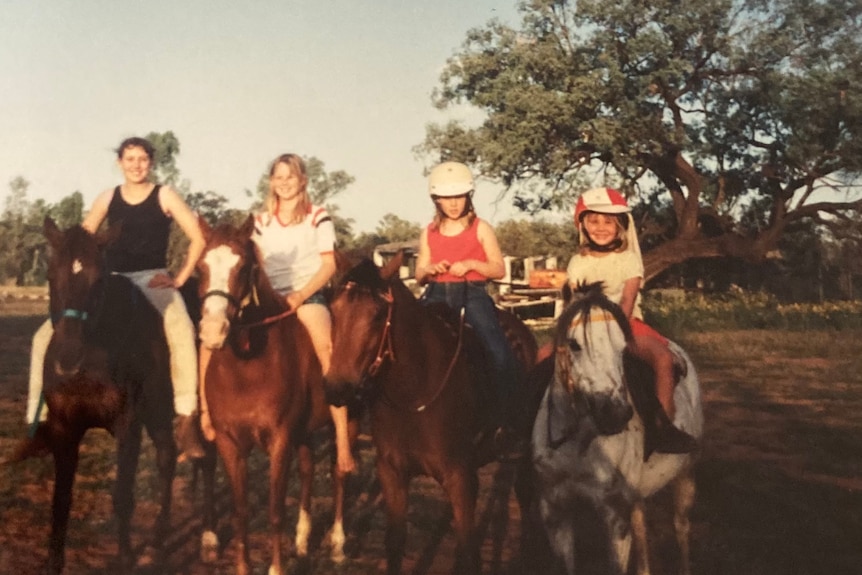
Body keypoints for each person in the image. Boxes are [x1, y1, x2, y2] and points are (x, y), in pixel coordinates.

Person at [26, 136, 207, 460]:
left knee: (182, 330)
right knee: (43, 337)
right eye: (130, 159)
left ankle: (187, 418)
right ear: (119, 163)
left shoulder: (164, 195)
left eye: (142, 159)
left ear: (151, 163)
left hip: (151, 279)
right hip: (112, 282)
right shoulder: (108, 197)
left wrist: (179, 278)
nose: (136, 165)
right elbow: (82, 239)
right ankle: (38, 423)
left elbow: (196, 237)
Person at [199, 153, 355, 474]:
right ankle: (203, 415)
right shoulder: (259, 221)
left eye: (291, 177)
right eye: (278, 178)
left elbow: (328, 265)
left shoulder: (317, 216)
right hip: (266, 296)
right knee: (209, 339)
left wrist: (301, 295)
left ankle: (342, 443)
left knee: (327, 350)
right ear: (271, 182)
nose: (284, 184)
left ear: (303, 181)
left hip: (306, 295)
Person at [567, 186, 698, 454]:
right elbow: (571, 304)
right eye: (593, 220)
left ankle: (663, 427)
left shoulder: (628, 260)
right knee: (543, 357)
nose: (600, 227)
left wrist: (613, 332)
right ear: (582, 225)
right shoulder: (576, 262)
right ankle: (525, 427)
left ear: (620, 227)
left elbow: (627, 301)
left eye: (608, 222)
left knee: (662, 358)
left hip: (625, 325)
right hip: (585, 330)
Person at [415, 161, 522, 457]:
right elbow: (419, 272)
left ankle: (508, 425)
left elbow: (498, 268)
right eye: (446, 198)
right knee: (406, 342)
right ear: (436, 199)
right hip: (437, 292)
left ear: (469, 195)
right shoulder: (429, 232)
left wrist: (473, 265)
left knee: (499, 353)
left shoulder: (481, 228)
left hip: (472, 295)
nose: (453, 204)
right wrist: (431, 269)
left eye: (459, 196)